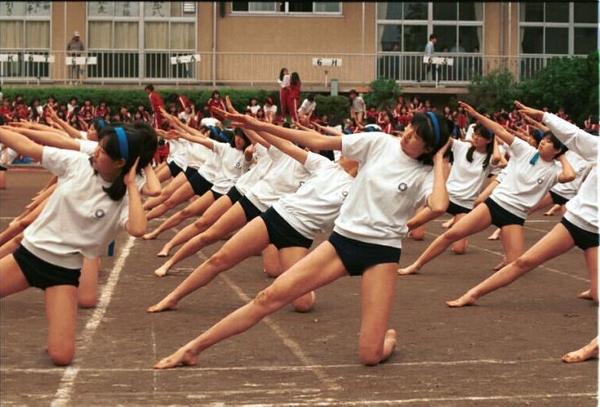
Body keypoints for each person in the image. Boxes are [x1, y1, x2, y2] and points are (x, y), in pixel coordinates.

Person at [152, 110, 452, 369]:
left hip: (382, 254)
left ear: (429, 148)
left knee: (370, 356)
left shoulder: (427, 174)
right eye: (410, 127)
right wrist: (257, 124)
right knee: (267, 298)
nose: (407, 134)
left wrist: (439, 161)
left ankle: (389, 338)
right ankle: (192, 349)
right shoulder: (380, 143)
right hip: (343, 242)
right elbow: (317, 141)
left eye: (417, 136)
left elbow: (438, 205)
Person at [446, 101, 598, 363]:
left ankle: (594, 338)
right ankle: (472, 294)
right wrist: (544, 116)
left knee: (597, 294)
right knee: (524, 262)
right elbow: (574, 135)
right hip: (576, 222)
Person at [0, 123, 157, 366]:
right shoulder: (77, 163)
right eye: (98, 147)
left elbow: (138, 229)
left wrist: (132, 186)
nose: (96, 152)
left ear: (120, 162)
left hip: (64, 272)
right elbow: (29, 147)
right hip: (28, 257)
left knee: (62, 356)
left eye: (103, 151)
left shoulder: (127, 194)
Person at [398, 101, 576, 276]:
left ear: (557, 150)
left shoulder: (555, 170)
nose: (543, 142)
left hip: (515, 216)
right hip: (494, 205)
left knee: (516, 265)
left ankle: (504, 263)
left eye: (549, 142)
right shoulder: (525, 150)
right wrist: (477, 116)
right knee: (450, 235)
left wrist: (561, 157)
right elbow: (501, 131)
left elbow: (569, 176)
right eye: (544, 139)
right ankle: (416, 265)